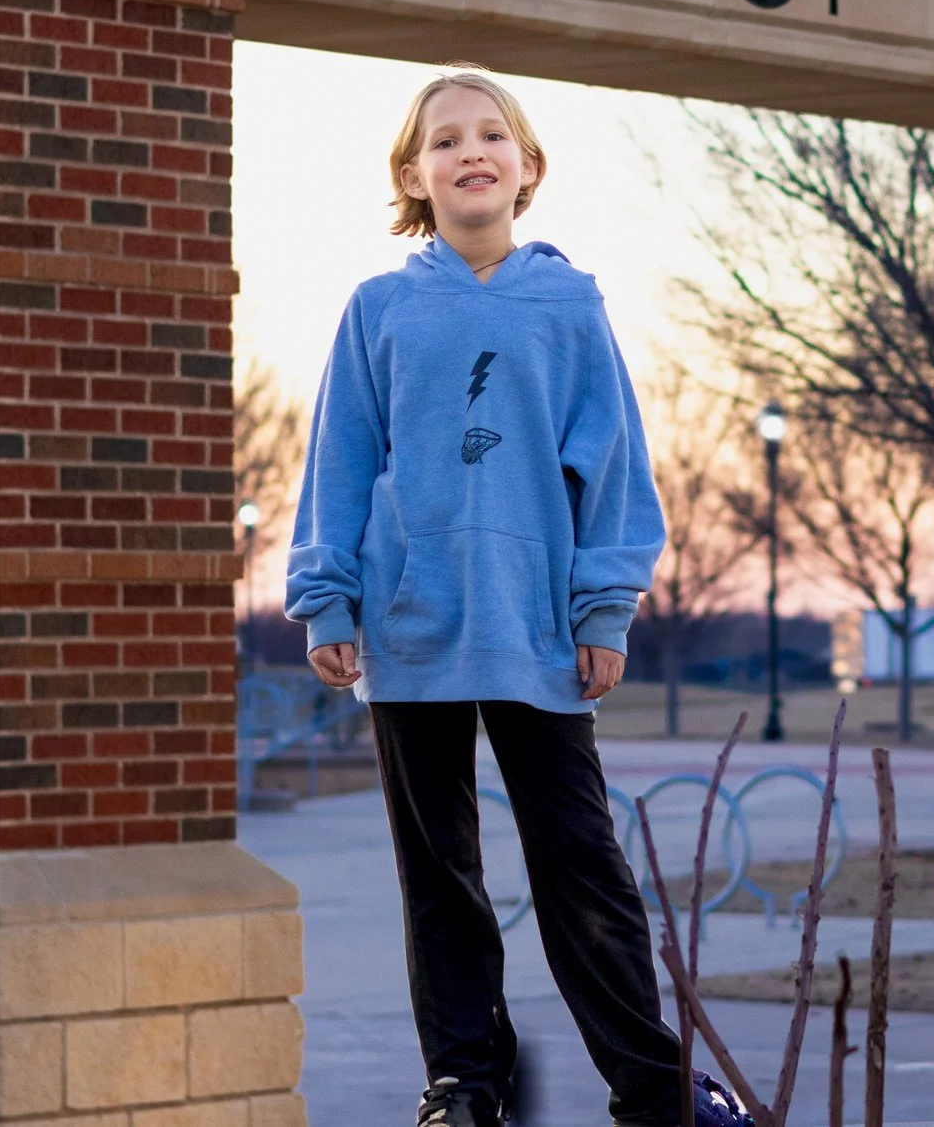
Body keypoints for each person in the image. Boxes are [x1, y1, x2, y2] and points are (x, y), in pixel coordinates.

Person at [283, 66, 715, 1127]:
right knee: (440, 873)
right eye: (445, 139)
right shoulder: (379, 306)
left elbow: (611, 464)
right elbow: (337, 457)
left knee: (582, 865)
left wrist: (602, 606)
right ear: (413, 173)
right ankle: (464, 1083)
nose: (469, 150)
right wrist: (325, 595)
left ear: (527, 169)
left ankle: (652, 1087)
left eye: (491, 135)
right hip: (409, 621)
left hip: (534, 628)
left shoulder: (567, 304)